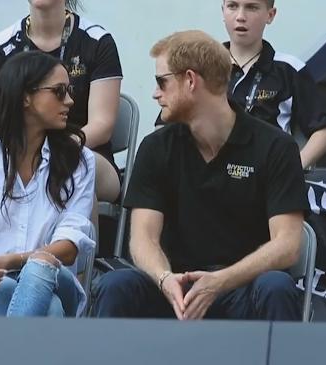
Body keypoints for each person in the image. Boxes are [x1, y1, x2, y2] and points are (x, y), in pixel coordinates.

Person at [92, 30, 308, 321]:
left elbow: (288, 246)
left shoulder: (275, 147)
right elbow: (143, 238)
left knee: (276, 286)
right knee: (117, 285)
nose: (155, 93)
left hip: (241, 286)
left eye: (162, 82)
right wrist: (164, 279)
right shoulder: (156, 146)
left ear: (191, 80)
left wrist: (219, 283)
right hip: (175, 288)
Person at [0, 51, 95, 317]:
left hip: (55, 277)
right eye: (58, 91)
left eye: (69, 90)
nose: (70, 100)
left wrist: (16, 260)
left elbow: (69, 245)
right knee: (52, 310)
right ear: (25, 97)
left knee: (40, 269)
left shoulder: (78, 159)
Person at [155, 0, 326, 169]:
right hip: (203, 176)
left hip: (265, 176)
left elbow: (325, 132)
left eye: (251, 7)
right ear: (223, 11)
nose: (240, 16)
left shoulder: (289, 69)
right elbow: (163, 126)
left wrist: (291, 169)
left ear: (270, 15)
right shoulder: (197, 66)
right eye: (233, 6)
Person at [0, 0, 122, 203]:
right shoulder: (0, 45)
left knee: (71, 167)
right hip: (17, 151)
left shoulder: (98, 41)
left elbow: (102, 125)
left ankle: (74, 235)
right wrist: (29, 152)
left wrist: (51, 150)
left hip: (83, 149)